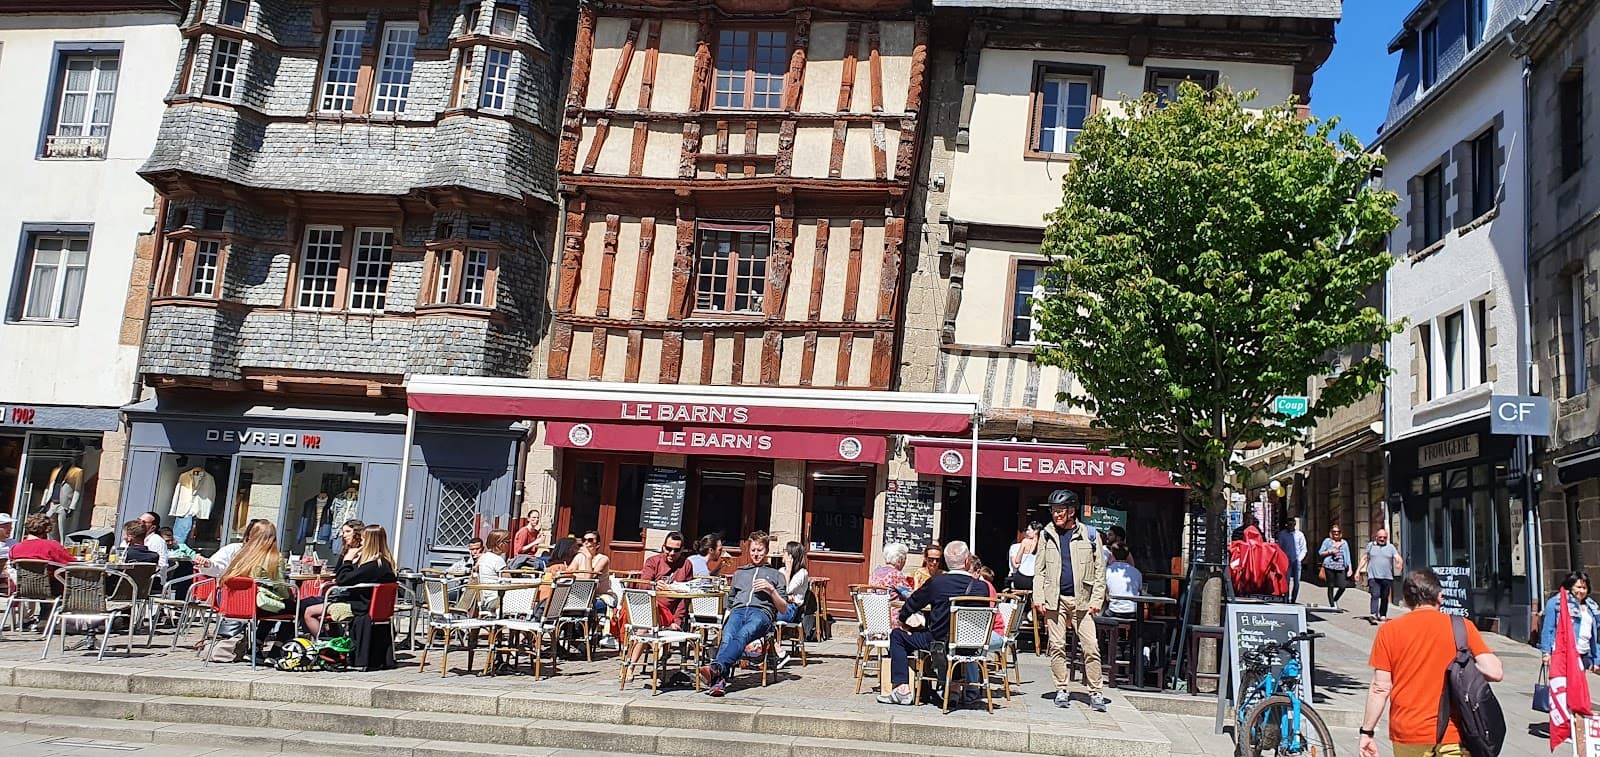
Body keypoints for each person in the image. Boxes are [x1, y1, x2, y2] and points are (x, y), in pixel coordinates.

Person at [1359, 569, 1503, 757]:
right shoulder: (1461, 626)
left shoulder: (1389, 631)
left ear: (1406, 599)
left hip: (1409, 732)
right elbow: (1494, 672)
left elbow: (1380, 687)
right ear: (1440, 597)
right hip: (1454, 733)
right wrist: (1461, 666)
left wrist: (1367, 732)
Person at [876, 540, 990, 706]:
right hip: (971, 644)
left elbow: (912, 603)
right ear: (967, 562)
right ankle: (953, 689)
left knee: (898, 636)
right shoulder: (982, 588)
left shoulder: (937, 582)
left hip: (938, 642)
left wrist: (903, 621)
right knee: (954, 636)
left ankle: (902, 690)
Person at [1033, 489, 1110, 712]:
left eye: (1060, 510)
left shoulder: (1091, 535)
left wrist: (1097, 599)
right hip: (1054, 600)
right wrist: (1039, 597)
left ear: (1071, 511)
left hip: (1083, 601)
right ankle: (1061, 689)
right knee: (1057, 646)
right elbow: (1039, 570)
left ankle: (1096, 692)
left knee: (1091, 647)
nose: (1056, 514)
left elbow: (1099, 571)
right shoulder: (1046, 535)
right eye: (1053, 510)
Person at [697, 531, 791, 697]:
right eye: (753, 550)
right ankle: (718, 680)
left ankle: (715, 668)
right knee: (727, 636)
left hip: (761, 613)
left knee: (743, 634)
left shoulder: (777, 575)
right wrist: (727, 618)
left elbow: (783, 608)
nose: (756, 554)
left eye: (760, 550)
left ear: (766, 550)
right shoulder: (740, 573)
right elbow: (731, 601)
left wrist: (771, 590)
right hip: (738, 611)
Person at [331, 524, 399, 670]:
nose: (360, 542)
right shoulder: (385, 563)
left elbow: (342, 579)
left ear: (369, 541)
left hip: (361, 606)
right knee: (313, 605)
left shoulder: (373, 565)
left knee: (309, 609)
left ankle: (332, 651)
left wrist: (348, 559)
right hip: (374, 608)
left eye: (363, 539)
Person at [218, 521, 294, 649]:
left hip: (236, 605)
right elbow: (281, 588)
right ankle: (276, 650)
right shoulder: (273, 558)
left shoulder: (241, 555)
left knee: (274, 609)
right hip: (258, 605)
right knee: (295, 609)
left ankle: (256, 646)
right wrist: (290, 595)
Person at [303, 521, 365, 637]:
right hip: (338, 593)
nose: (344, 535)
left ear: (357, 533)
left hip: (347, 596)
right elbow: (338, 574)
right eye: (343, 532)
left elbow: (345, 579)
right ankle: (330, 638)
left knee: (304, 607)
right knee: (302, 604)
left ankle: (325, 641)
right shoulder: (347, 551)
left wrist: (347, 561)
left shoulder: (362, 555)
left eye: (347, 531)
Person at [1539, 571, 1600, 670]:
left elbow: (1595, 635)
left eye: (1584, 588)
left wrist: (1596, 659)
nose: (1581, 591)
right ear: (1570, 586)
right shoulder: (1556, 603)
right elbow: (1548, 629)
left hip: (1584, 653)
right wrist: (1546, 652)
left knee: (1578, 685)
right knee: (1565, 684)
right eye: (1578, 587)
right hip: (1563, 653)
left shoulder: (1592, 607)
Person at [640, 531, 694, 629]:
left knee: (645, 630)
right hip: (649, 608)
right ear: (663, 547)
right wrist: (654, 585)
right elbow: (643, 585)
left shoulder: (686, 565)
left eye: (676, 550)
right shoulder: (653, 561)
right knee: (646, 627)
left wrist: (677, 620)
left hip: (669, 614)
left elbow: (685, 597)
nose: (672, 553)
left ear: (682, 550)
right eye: (668, 549)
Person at [1356, 528, 1403, 622]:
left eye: (1384, 538)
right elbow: (1365, 558)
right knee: (1375, 594)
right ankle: (1373, 614)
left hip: (1387, 576)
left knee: (1385, 597)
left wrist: (1399, 564)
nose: (1382, 539)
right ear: (1376, 537)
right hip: (1373, 576)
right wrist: (1358, 571)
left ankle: (1382, 614)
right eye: (1380, 537)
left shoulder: (1391, 547)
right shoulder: (1370, 546)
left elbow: (1398, 557)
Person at [194, 518, 268, 573]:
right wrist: (208, 564)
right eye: (258, 537)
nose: (262, 541)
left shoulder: (272, 555)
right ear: (249, 536)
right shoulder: (234, 548)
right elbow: (217, 567)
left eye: (267, 538)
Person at [1104, 544, 1142, 619]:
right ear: (1128, 555)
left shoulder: (1107, 571)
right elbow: (1139, 590)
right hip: (1132, 611)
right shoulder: (1137, 572)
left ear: (1112, 554)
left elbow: (1105, 591)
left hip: (1114, 610)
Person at [1318, 525, 1352, 609]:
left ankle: (1335, 599)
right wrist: (1330, 551)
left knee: (1342, 586)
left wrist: (1350, 568)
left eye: (1337, 533)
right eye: (1334, 532)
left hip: (1340, 567)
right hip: (1329, 566)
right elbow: (1320, 552)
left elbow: (1347, 556)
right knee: (1331, 585)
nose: (1336, 534)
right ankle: (1332, 605)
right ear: (1331, 533)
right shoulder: (1327, 541)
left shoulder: (1344, 543)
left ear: (1340, 533)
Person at [1275, 518, 1307, 603]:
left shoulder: (1300, 535)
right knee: (1286, 581)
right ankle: (1286, 598)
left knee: (1297, 582)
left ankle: (1293, 599)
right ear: (1287, 525)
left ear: (1295, 524)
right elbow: (1279, 548)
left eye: (1292, 524)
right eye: (1289, 524)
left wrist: (1299, 559)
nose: (1290, 526)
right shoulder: (1282, 534)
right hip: (1286, 561)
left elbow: (1303, 548)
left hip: (1296, 561)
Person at [138, 511, 170, 581]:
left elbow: (162, 565)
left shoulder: (157, 541)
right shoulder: (134, 537)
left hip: (151, 580)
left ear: (153, 527)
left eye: (144, 522)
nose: (139, 524)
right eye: (138, 520)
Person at [1008, 522, 1041, 591]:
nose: (1027, 532)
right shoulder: (1042, 544)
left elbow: (1017, 560)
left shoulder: (1025, 541)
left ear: (1035, 531)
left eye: (1029, 530)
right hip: (1034, 577)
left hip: (1022, 576)